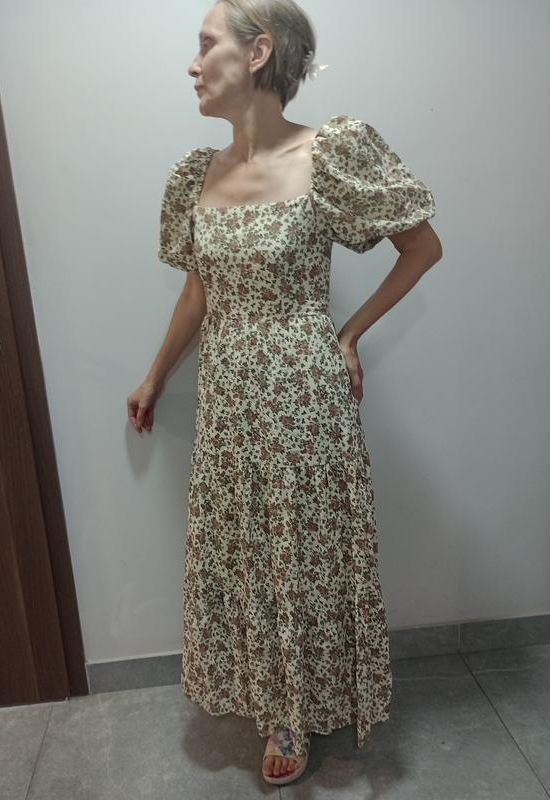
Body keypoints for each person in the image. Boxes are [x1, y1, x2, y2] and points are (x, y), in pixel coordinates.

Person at [127, 0, 442, 786]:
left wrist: (349, 333)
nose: (192, 64)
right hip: (227, 398)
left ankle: (299, 714)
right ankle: (272, 702)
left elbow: (422, 247)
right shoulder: (196, 174)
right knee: (246, 555)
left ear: (259, 52)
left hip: (304, 394)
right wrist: (155, 374)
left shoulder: (329, 153)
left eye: (206, 45)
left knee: (301, 553)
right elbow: (198, 292)